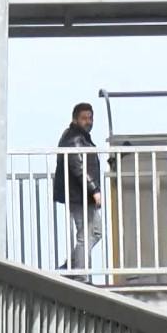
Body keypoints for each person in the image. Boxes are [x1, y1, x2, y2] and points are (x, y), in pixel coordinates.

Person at [52, 102, 103, 278]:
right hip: (79, 195)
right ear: (75, 119)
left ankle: (71, 266)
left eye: (90, 118)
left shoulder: (80, 137)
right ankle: (80, 276)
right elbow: (78, 167)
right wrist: (94, 190)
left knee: (95, 232)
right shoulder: (74, 139)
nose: (88, 122)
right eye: (84, 118)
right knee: (85, 235)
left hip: (82, 195)